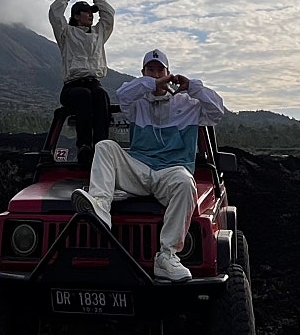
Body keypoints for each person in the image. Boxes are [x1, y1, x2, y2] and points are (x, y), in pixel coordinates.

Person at [71, 48, 226, 282]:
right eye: (149, 71)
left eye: (159, 70)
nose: (155, 75)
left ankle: (167, 257)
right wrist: (149, 84)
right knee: (104, 146)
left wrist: (192, 86)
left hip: (172, 172)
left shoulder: (187, 104)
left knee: (186, 183)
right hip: (140, 170)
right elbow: (123, 95)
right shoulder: (137, 104)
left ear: (168, 72)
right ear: (142, 74)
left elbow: (217, 111)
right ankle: (100, 208)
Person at [47, 0, 115, 165]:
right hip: (72, 86)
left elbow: (109, 14)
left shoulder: (98, 34)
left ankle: (101, 146)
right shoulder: (66, 34)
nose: (91, 15)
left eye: (91, 12)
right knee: (84, 96)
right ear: (76, 16)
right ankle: (84, 145)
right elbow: (54, 14)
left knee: (101, 96)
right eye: (86, 12)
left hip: (94, 83)